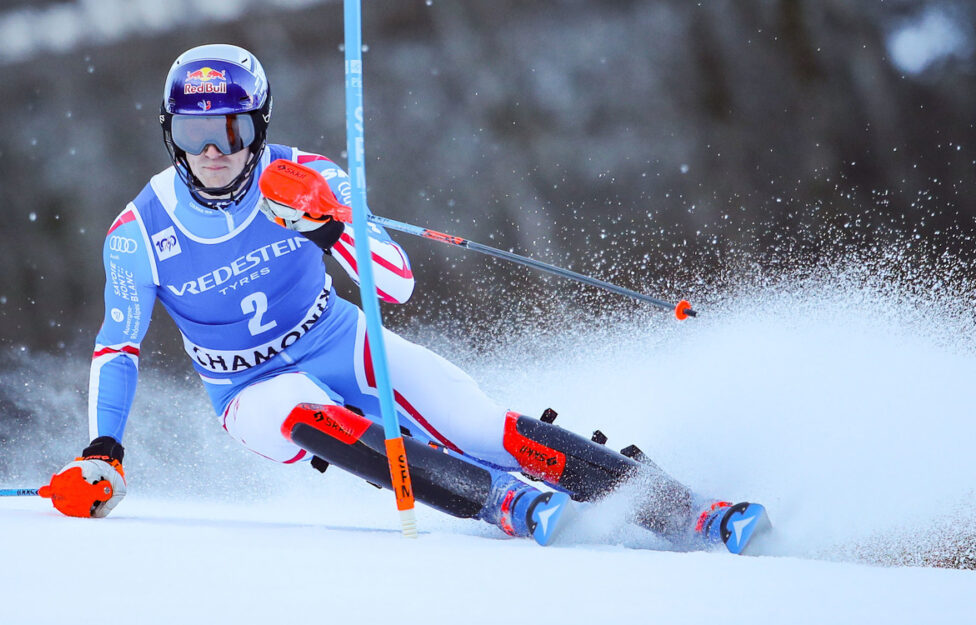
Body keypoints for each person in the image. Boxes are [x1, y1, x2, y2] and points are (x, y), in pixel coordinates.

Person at [49, 44, 768, 552]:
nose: (213, 150)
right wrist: (104, 450)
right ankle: (499, 500)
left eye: (230, 129)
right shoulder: (138, 230)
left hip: (338, 337)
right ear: (172, 136)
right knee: (307, 410)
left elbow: (396, 284)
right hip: (248, 391)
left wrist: (331, 223)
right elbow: (117, 345)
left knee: (483, 423)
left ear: (257, 126)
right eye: (194, 132)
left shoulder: (307, 175)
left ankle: (689, 510)